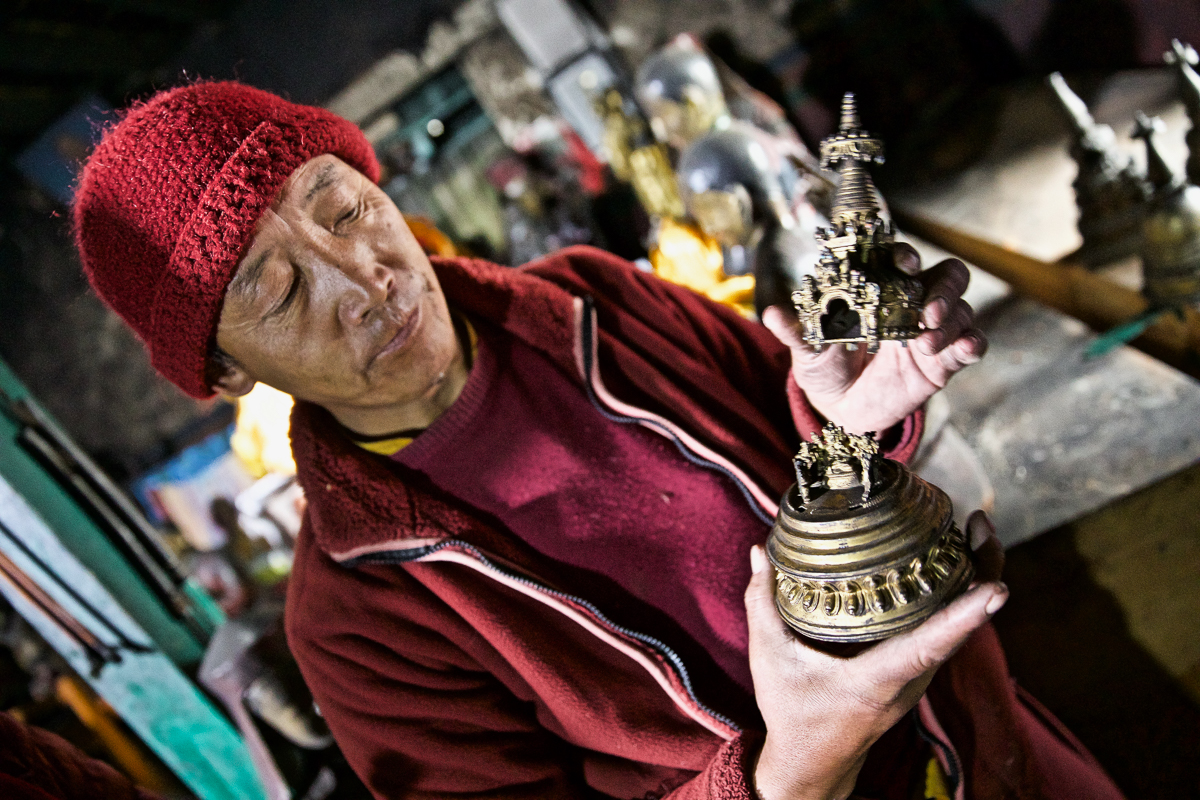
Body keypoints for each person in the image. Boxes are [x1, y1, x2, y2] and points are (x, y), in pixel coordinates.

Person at [72, 82, 1123, 800]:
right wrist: (791, 773)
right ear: (226, 374)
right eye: (281, 289)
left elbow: (822, 449)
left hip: (1001, 747)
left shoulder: (591, 298)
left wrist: (852, 419)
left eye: (341, 210)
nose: (364, 282)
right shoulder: (360, 621)